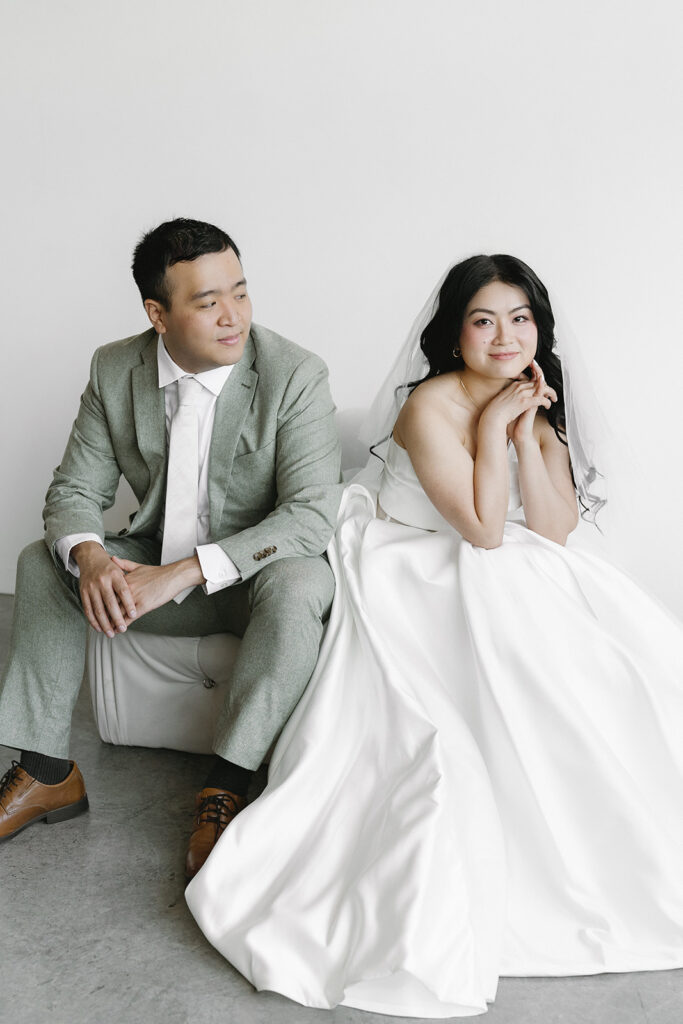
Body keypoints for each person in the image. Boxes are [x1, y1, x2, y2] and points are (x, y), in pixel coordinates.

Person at [185, 255, 683, 1018]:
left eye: (520, 319)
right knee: (502, 608)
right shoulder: (430, 406)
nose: (505, 336)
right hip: (412, 554)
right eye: (484, 320)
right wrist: (489, 423)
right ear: (455, 335)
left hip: (498, 554)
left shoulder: (536, 401)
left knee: (599, 629)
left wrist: (523, 431)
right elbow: (482, 531)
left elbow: (549, 528)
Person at [0, 217, 343, 879]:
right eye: (207, 301)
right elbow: (75, 486)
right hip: (153, 567)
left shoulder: (294, 373)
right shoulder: (114, 367)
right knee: (39, 565)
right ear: (158, 313)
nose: (232, 316)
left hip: (254, 584)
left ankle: (226, 788)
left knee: (304, 583)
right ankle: (47, 771)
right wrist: (94, 558)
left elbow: (308, 518)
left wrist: (181, 572)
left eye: (239, 292)